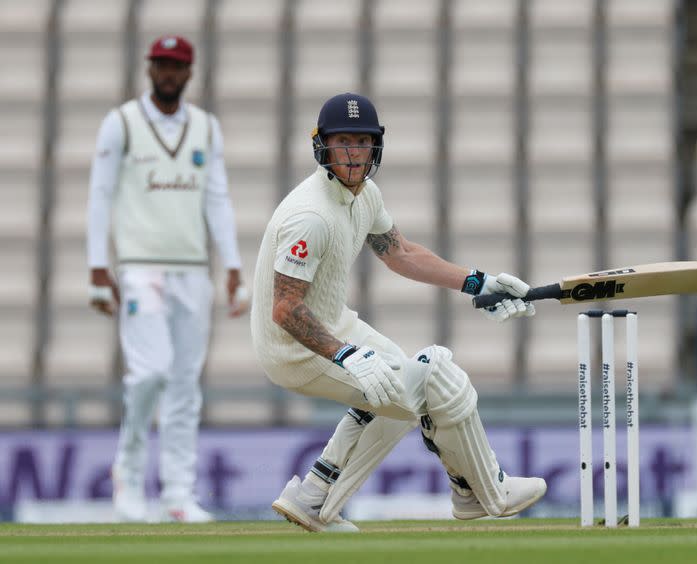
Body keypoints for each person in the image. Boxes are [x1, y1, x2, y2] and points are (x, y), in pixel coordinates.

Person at [251, 92, 546, 533]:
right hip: (293, 347)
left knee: (409, 387)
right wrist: (345, 354)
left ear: (376, 147)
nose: (353, 153)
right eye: (343, 142)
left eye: (363, 142)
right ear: (322, 146)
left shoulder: (366, 195)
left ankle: (316, 495)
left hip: (335, 322)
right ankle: (483, 490)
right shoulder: (309, 216)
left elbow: (401, 253)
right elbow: (285, 308)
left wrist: (478, 282)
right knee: (429, 374)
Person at [87, 35, 248, 523]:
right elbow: (100, 194)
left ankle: (178, 493)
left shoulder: (205, 128)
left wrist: (234, 264)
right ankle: (128, 477)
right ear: (149, 68)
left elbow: (217, 198)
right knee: (150, 373)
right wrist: (98, 267)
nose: (168, 73)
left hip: (193, 269)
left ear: (190, 72)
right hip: (139, 267)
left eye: (177, 66)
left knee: (184, 384)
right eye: (161, 64)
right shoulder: (122, 124)